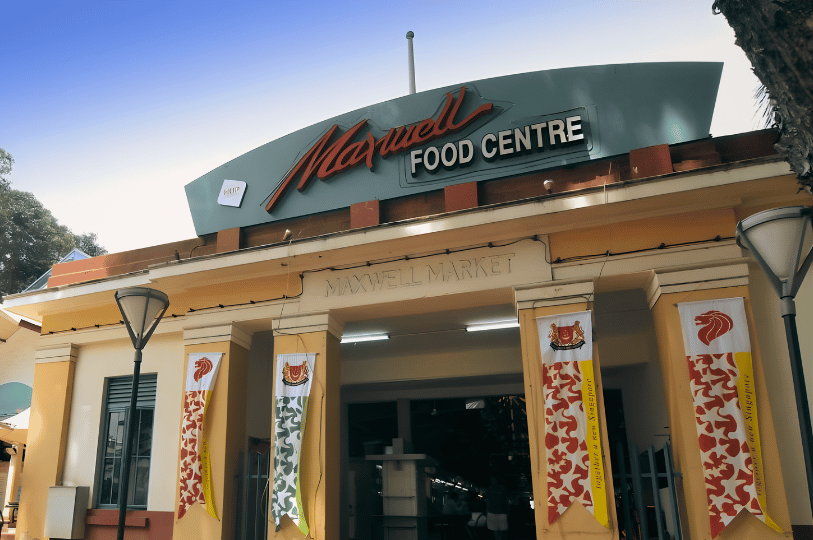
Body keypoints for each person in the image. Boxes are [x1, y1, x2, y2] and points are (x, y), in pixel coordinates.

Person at [486, 476, 509, 540]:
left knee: (497, 529)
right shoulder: (490, 489)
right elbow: (506, 501)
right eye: (491, 480)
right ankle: (499, 538)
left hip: (498, 512)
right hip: (496, 512)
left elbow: (506, 501)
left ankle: (499, 538)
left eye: (493, 479)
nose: (492, 481)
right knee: (497, 529)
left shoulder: (490, 489)